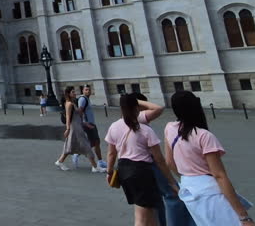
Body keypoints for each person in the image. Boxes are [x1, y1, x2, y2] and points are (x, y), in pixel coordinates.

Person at [164, 91, 255, 226]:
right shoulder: (204, 136)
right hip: (210, 191)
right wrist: (244, 217)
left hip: (188, 187)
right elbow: (219, 175)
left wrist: (188, 176)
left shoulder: (169, 128)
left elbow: (170, 162)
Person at [104, 94, 177, 226]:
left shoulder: (114, 126)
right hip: (142, 172)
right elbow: (159, 160)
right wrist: (171, 181)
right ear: (137, 108)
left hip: (124, 171)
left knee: (149, 214)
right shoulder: (145, 130)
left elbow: (111, 154)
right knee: (142, 218)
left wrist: (109, 172)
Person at [129, 93, 195, 226]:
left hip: (134, 167)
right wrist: (137, 101)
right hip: (150, 163)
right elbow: (158, 108)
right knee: (173, 195)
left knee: (155, 199)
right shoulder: (137, 118)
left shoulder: (121, 121)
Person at [55, 86, 106, 172]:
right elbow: (68, 117)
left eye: (74, 91)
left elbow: (77, 117)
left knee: (69, 146)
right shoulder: (69, 104)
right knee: (86, 146)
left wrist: (86, 124)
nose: (75, 93)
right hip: (75, 128)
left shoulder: (72, 103)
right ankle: (95, 167)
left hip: (78, 127)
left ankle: (60, 161)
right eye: (73, 92)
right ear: (68, 94)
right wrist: (67, 129)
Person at [79, 85, 108, 169]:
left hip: (91, 124)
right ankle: (78, 154)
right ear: (83, 91)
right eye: (86, 90)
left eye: (89, 90)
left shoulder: (87, 99)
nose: (88, 91)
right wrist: (84, 123)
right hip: (88, 124)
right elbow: (80, 111)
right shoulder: (83, 99)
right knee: (94, 143)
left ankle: (100, 161)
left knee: (96, 142)